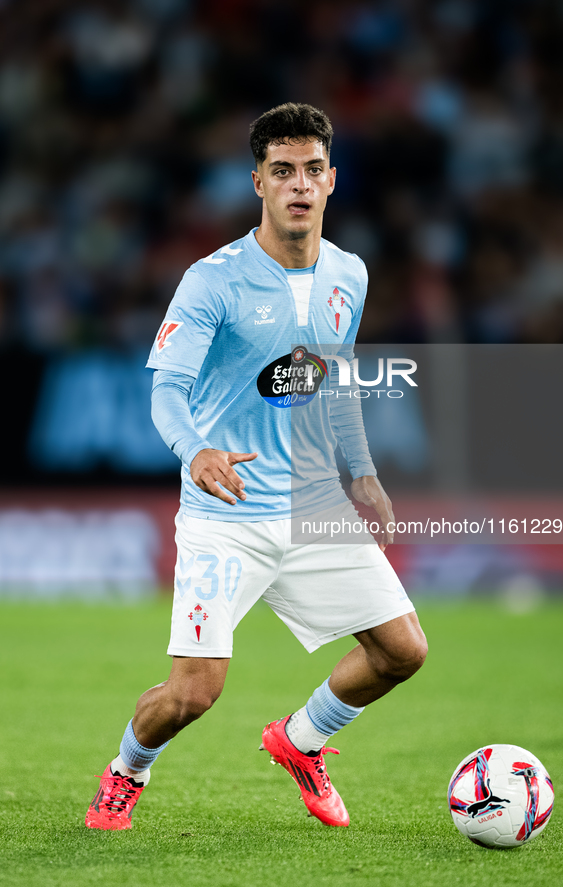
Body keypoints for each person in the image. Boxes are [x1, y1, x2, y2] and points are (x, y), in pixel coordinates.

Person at [85, 103, 427, 831]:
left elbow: (332, 377)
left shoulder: (349, 275)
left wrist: (360, 471)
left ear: (331, 179)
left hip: (311, 505)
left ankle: (302, 739)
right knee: (192, 693)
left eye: (310, 170)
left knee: (401, 649)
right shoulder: (213, 280)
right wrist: (195, 450)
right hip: (225, 514)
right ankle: (125, 771)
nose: (298, 185)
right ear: (258, 183)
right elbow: (167, 390)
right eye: (282, 172)